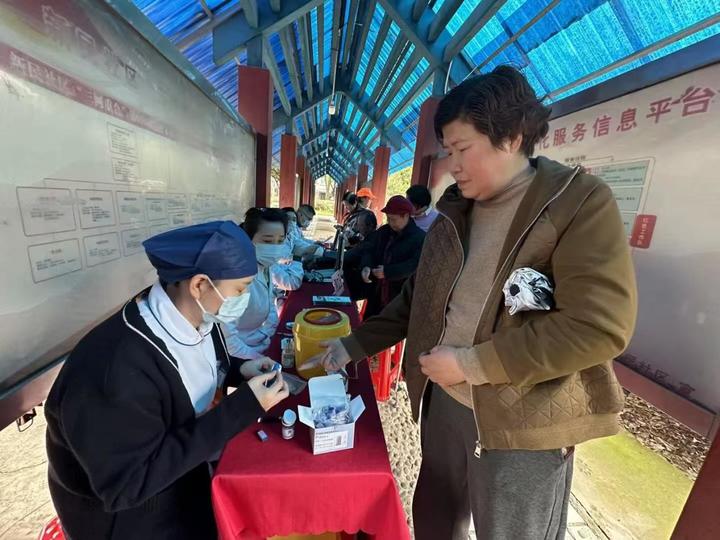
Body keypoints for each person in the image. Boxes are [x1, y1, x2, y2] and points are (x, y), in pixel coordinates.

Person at [303, 65, 637, 540]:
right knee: (437, 518)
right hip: (445, 399)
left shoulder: (576, 204)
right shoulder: (455, 212)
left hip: (521, 415)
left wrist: (470, 364)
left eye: (463, 149)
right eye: (448, 151)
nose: (453, 165)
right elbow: (417, 299)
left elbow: (597, 327)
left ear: (512, 137)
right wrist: (352, 346)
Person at [45, 221, 290, 540]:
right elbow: (130, 485)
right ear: (199, 284)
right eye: (240, 290)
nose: (242, 298)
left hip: (183, 479)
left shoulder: (199, 315)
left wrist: (240, 369)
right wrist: (242, 407)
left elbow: (197, 367)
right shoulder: (116, 369)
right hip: (131, 520)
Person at [223, 208, 303, 359]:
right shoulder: (234, 279)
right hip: (242, 356)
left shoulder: (266, 266)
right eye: (267, 241)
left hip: (262, 344)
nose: (275, 247)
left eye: (280, 241)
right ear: (248, 240)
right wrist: (260, 359)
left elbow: (270, 306)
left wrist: (274, 337)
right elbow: (228, 341)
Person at [356, 195, 425, 318]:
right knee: (369, 324)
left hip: (399, 296)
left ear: (406, 216)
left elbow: (414, 265)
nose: (390, 222)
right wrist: (366, 266)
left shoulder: (419, 238)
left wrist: (388, 272)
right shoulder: (384, 231)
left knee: (390, 326)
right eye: (388, 218)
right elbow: (368, 249)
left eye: (393, 219)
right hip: (376, 292)